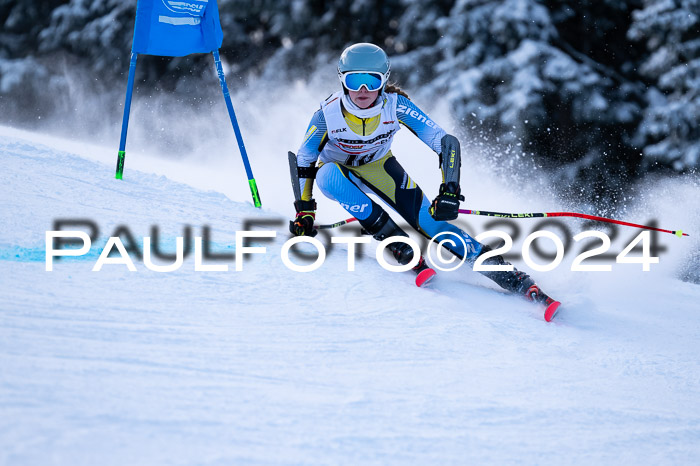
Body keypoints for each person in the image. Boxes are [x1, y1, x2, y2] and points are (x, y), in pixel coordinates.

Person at [288, 43, 559, 317]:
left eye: (371, 80)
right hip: (337, 171)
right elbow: (305, 156)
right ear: (342, 79)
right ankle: (399, 245)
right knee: (328, 176)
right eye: (354, 80)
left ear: (383, 80)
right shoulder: (327, 114)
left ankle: (514, 279)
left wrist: (449, 190)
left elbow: (446, 143)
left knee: (433, 224)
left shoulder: (397, 106)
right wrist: (305, 210)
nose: (362, 90)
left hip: (380, 167)